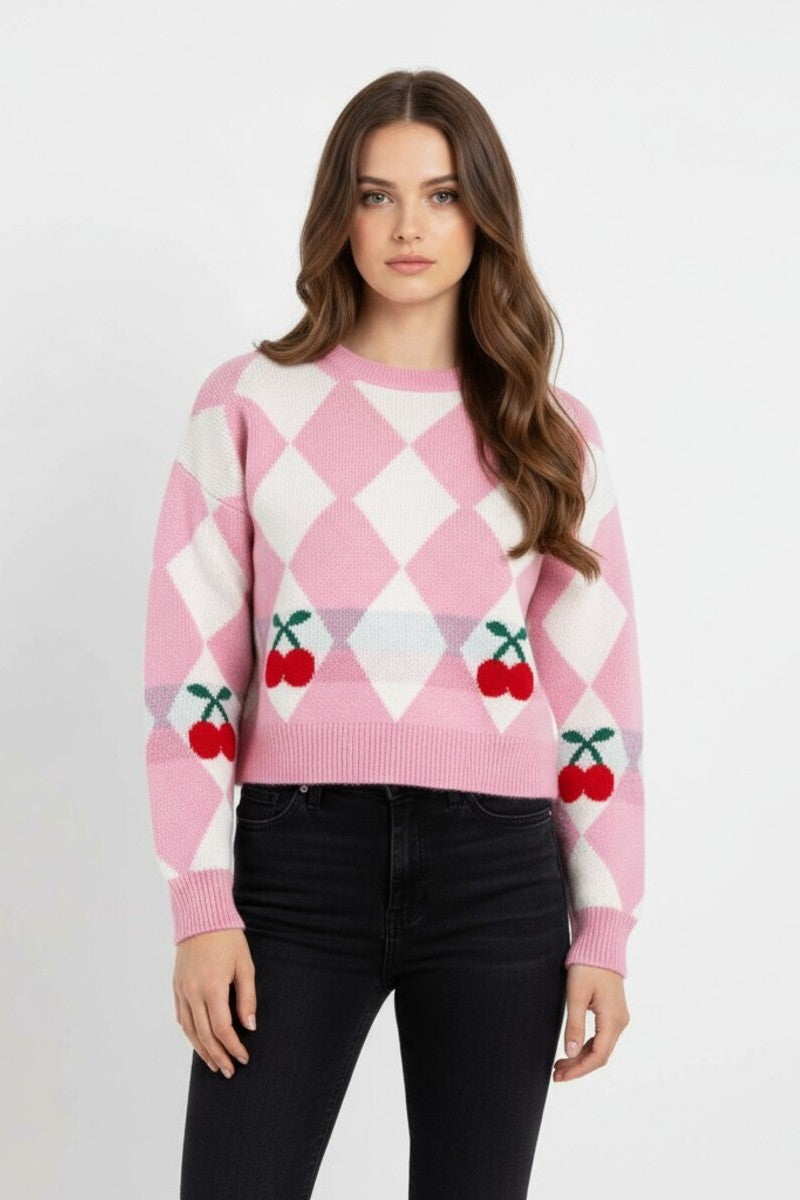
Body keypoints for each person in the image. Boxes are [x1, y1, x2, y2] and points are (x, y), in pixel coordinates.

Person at [143, 68, 645, 1200]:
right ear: (340, 213)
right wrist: (200, 905)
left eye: (441, 194)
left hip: (499, 879)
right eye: (377, 195)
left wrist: (605, 928)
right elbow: (190, 683)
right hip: (296, 870)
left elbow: (597, 701)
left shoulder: (551, 433)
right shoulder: (247, 404)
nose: (409, 226)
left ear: (484, 214)